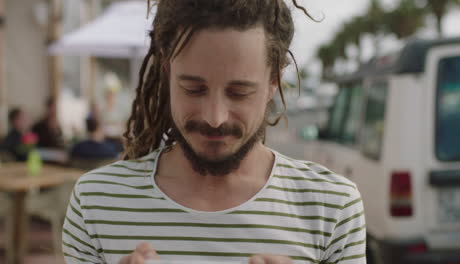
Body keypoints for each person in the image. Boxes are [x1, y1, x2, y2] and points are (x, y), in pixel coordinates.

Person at [62, 1, 366, 264]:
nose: (215, 118)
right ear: (167, 72)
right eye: (194, 89)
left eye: (239, 92)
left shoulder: (333, 207)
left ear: (274, 81)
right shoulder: (95, 203)